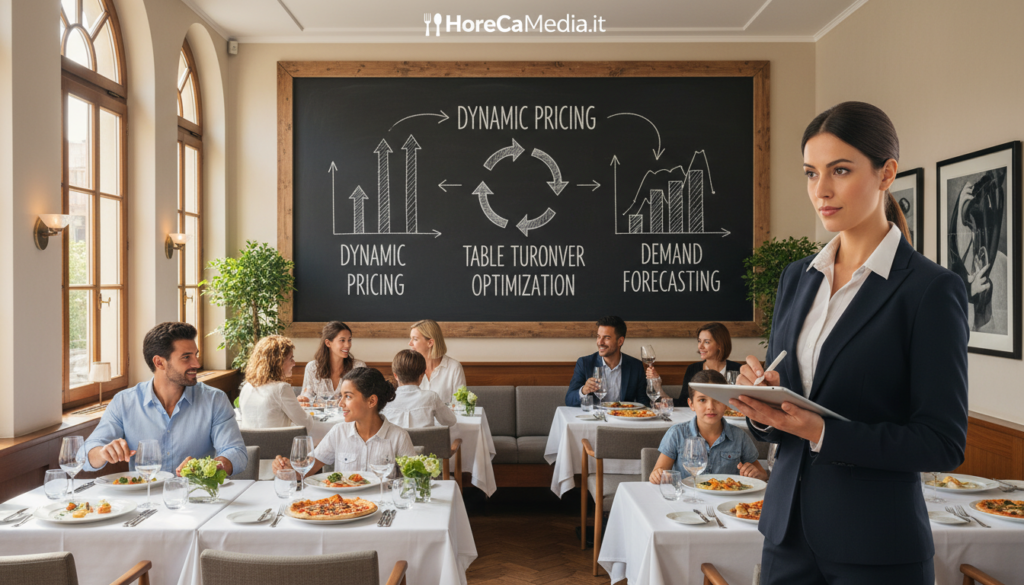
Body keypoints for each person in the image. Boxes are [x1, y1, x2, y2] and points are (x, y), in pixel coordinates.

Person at [729, 102, 968, 585]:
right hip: (786, 536)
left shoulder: (929, 290)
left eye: (840, 171)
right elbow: (786, 422)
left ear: (887, 174)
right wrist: (764, 405)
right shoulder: (798, 278)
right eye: (811, 173)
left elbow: (942, 443)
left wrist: (822, 432)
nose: (821, 190)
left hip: (877, 548)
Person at [82, 322, 248, 476]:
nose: (196, 363)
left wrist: (209, 467)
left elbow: (236, 452)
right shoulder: (124, 402)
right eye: (186, 357)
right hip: (144, 499)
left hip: (196, 497)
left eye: (196, 355)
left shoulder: (214, 400)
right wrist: (103, 452)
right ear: (159, 362)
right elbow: (83, 456)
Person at [273, 367, 416, 476]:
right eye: (341, 396)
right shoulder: (338, 432)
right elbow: (306, 470)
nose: (340, 403)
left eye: (347, 396)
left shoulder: (398, 437)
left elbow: (416, 480)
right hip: (346, 510)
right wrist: (285, 468)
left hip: (384, 510)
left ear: (371, 401)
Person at [649, 370, 766, 484]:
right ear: (691, 404)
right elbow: (658, 472)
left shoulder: (739, 437)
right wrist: (658, 475)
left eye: (717, 399)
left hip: (725, 501)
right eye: (702, 400)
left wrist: (756, 474)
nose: (710, 406)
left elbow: (762, 474)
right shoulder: (676, 434)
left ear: (726, 403)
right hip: (687, 500)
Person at [646, 322, 742, 407]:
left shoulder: (737, 369)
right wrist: (657, 385)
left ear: (720, 344)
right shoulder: (693, 369)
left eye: (706, 342)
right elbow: (683, 403)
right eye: (699, 341)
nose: (700, 346)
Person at [565, 316, 649, 407]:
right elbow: (569, 400)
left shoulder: (636, 366)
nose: (600, 342)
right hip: (594, 419)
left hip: (623, 419)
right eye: (598, 337)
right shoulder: (584, 363)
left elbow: (643, 402)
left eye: (606, 338)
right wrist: (584, 390)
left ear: (620, 341)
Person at [238, 335, 310, 432]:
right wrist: (305, 411)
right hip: (278, 446)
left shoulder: (247, 387)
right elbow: (306, 424)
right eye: (290, 359)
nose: (294, 363)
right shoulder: (281, 388)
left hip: (250, 446)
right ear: (278, 362)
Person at [382, 349, 459, 428]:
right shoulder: (431, 397)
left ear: (395, 376)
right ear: (422, 375)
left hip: (396, 440)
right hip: (426, 440)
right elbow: (451, 421)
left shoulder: (386, 401)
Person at [299, 321, 367, 403]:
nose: (348, 345)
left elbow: (363, 399)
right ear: (328, 343)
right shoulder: (312, 368)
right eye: (342, 340)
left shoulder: (358, 367)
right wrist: (303, 399)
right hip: (319, 415)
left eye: (349, 340)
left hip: (349, 415)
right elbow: (307, 397)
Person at [408, 319, 466, 403]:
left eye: (415, 339)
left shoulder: (454, 368)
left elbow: (460, 405)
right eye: (411, 338)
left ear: (430, 342)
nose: (410, 343)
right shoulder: (409, 367)